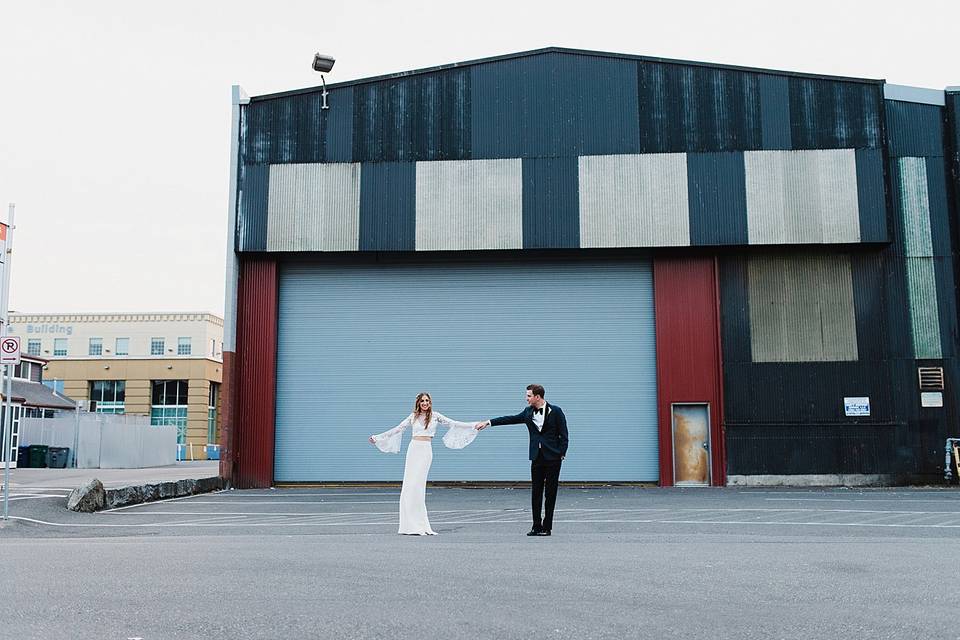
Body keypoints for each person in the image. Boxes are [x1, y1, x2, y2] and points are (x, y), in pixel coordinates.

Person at [368, 392, 479, 535]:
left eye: (427, 401)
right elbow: (397, 429)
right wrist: (378, 437)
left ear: (430, 402)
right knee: (409, 486)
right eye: (422, 401)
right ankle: (408, 525)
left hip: (426, 451)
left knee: (418, 487)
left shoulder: (435, 416)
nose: (425, 403)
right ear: (418, 403)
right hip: (413, 450)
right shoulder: (412, 417)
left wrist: (474, 425)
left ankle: (420, 524)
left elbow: (454, 423)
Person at [477, 384, 568, 537]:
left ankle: (547, 527)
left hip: (553, 458)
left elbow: (564, 434)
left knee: (550, 493)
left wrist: (561, 453)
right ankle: (536, 526)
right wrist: (488, 422)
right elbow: (510, 419)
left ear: (537, 397)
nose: (526, 398)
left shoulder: (556, 411)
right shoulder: (527, 412)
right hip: (536, 458)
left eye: (528, 396)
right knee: (536, 493)